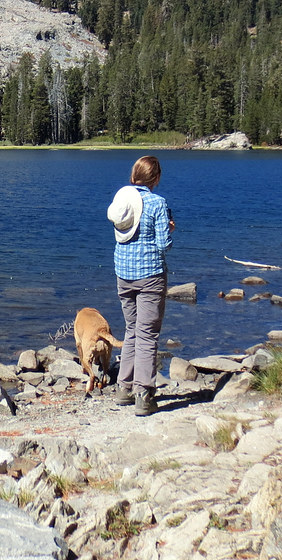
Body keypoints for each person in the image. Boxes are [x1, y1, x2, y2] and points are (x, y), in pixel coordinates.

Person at [106, 155, 174, 416]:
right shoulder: (158, 203)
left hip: (123, 274)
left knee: (132, 329)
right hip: (150, 275)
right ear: (156, 178)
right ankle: (143, 395)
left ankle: (124, 388)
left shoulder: (122, 199)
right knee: (147, 334)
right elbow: (163, 245)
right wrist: (170, 228)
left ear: (134, 175)